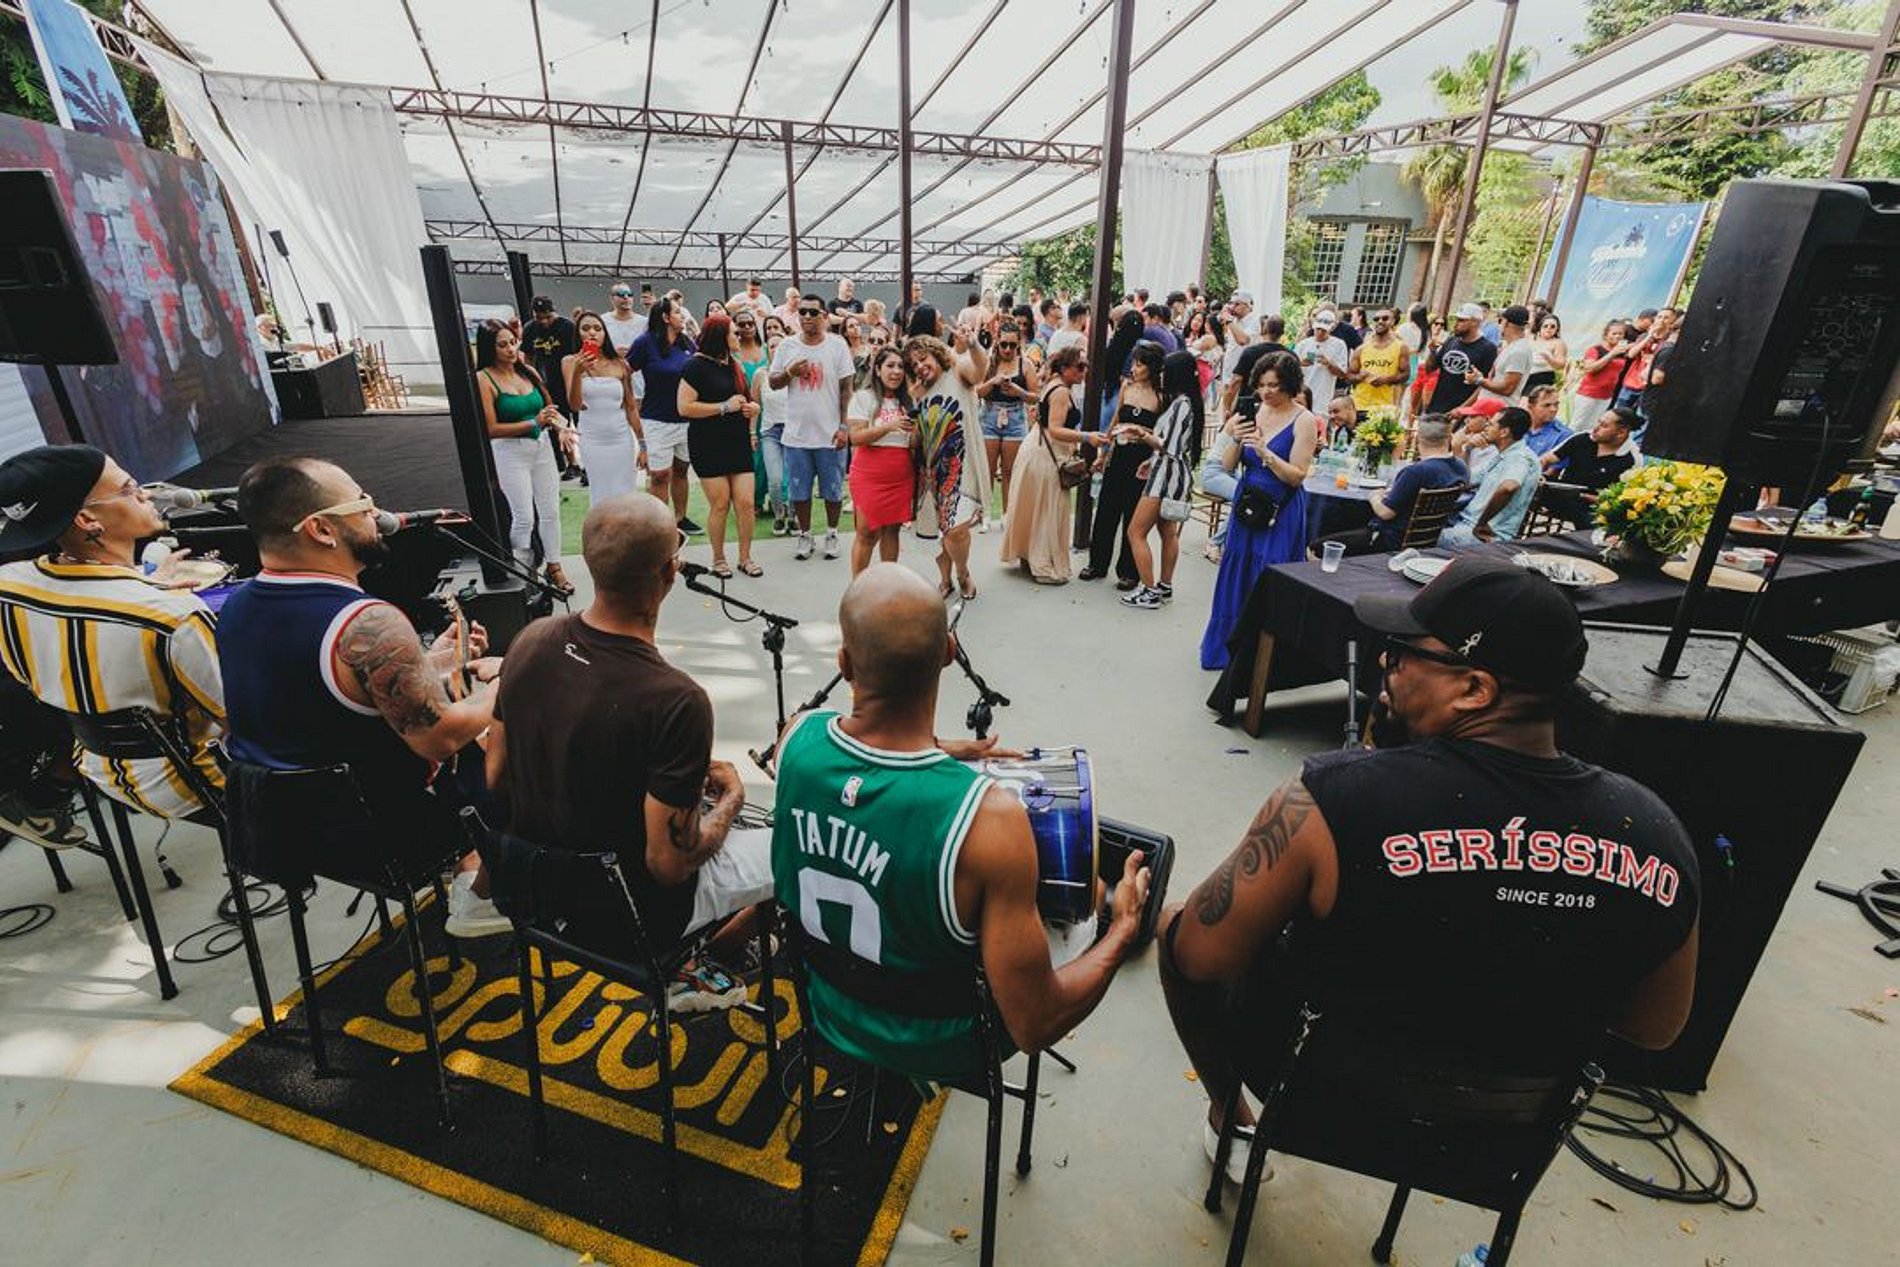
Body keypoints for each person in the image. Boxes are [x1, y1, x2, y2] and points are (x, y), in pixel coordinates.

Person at [1160, 556, 1699, 1180]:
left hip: (1322, 1097)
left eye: (1403, 654)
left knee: (1176, 926)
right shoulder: (1656, 831)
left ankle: (1233, 1121)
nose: (1386, 666)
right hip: (1495, 1133)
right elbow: (1656, 1028)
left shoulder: (1329, 800)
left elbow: (1200, 955)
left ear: (1474, 690)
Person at [770, 564, 1150, 1084]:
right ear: (949, 653)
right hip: (950, 1046)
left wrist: (944, 751)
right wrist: (1123, 930)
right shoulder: (990, 820)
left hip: (830, 1010)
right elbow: (1034, 1024)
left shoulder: (796, 740)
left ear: (844, 662)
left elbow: (863, 749)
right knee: (1080, 905)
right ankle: (1110, 907)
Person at [486, 494, 772, 1008]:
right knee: (796, 843)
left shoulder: (530, 640)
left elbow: (496, 778)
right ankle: (701, 959)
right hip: (632, 919)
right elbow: (669, 866)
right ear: (670, 571)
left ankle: (700, 959)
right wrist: (730, 801)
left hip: (537, 890)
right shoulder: (676, 701)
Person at [218, 458, 506, 936]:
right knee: (517, 743)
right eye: (362, 503)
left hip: (278, 827)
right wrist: (512, 680)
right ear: (321, 529)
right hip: (379, 836)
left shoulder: (234, 605)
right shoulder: (368, 622)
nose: (377, 513)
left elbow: (313, 694)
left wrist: (426, 664)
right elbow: (440, 739)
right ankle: (481, 893)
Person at [0, 445, 222, 821]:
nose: (145, 494)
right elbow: (244, 723)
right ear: (87, 520)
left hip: (99, 769)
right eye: (128, 487)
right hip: (193, 784)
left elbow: (33, 680)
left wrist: (140, 584)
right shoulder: (174, 617)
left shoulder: (9, 587)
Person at [1200, 352, 1317, 671]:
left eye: (1274, 385)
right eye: (1262, 384)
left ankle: (1264, 659)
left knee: (1270, 574)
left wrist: (1265, 453)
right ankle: (1228, 647)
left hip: (1281, 510)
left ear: (1289, 384)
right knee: (1237, 571)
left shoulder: (1304, 420)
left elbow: (1297, 476)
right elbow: (1227, 466)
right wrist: (1236, 440)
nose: (1266, 392)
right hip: (1248, 503)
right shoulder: (1254, 410)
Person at [475, 320, 576, 595]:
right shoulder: (484, 378)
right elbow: (490, 428)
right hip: (509, 451)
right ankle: (524, 574)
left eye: (513, 342)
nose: (510, 349)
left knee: (550, 511)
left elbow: (550, 408)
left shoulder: (527, 371)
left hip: (541, 448)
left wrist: (562, 428)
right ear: (490, 348)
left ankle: (554, 566)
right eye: (502, 345)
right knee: (523, 517)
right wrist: (534, 423)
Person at [906, 311, 991, 600]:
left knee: (956, 530)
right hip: (930, 472)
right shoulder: (918, 391)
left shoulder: (957, 369)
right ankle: (945, 579)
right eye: (914, 364)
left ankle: (963, 573)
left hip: (962, 466)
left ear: (936, 354)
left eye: (923, 359)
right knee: (937, 531)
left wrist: (974, 344)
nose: (920, 366)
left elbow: (980, 370)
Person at [1001, 346, 1101, 585]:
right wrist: (1087, 437)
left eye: (1085, 366)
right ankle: (1043, 566)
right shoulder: (1061, 392)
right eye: (1080, 367)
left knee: (1035, 505)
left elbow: (1041, 407)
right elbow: (1055, 429)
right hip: (1046, 455)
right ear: (1065, 369)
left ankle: (1029, 557)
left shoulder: (1053, 383)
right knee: (1047, 508)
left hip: (1037, 449)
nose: (1084, 371)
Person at [769, 295, 857, 562]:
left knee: (833, 490)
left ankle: (832, 534)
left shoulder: (837, 345)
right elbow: (773, 382)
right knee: (799, 491)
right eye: (803, 312)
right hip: (797, 435)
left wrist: (844, 426)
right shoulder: (787, 346)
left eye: (813, 312)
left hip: (830, 434)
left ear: (825, 317)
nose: (807, 316)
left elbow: (847, 389)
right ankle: (805, 535)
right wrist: (790, 373)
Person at [1311, 414, 1468, 558]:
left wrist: (1374, 496)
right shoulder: (1461, 467)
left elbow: (1385, 513)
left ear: (1418, 438)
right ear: (1449, 437)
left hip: (1388, 540)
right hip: (1426, 539)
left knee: (1313, 548)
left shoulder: (1416, 472)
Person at [677, 314, 762, 578]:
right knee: (721, 504)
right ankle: (719, 558)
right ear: (719, 337)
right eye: (734, 332)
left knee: (746, 503)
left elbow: (746, 400)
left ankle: (745, 558)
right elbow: (684, 407)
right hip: (707, 443)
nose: (739, 336)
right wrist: (724, 407)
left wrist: (753, 409)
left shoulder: (734, 365)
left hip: (737, 441)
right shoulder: (695, 366)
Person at [1121, 350, 1204, 610]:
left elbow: (1170, 446)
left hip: (1165, 476)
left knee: (1135, 532)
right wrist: (1151, 459)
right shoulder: (1187, 402)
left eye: (1166, 371)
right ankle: (1164, 585)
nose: (1162, 376)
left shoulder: (1181, 404)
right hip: (1171, 472)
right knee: (1168, 532)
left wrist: (1140, 433)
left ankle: (1149, 590)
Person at [1081, 339, 1164, 590]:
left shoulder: (1160, 396)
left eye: (1140, 365)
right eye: (1134, 364)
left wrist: (1140, 431)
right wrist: (1103, 452)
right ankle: (1097, 563)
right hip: (1119, 453)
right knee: (1106, 510)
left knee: (1132, 514)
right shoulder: (1126, 387)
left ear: (1151, 367)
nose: (1134, 369)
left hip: (1142, 459)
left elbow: (1162, 433)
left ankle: (1128, 571)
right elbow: (1116, 420)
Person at [627, 295, 702, 536]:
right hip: (656, 420)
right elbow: (625, 370)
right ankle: (659, 526)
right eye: (678, 312)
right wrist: (629, 400)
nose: (683, 315)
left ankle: (680, 519)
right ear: (665, 317)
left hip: (686, 420)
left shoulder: (687, 343)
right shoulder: (645, 342)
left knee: (681, 470)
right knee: (659, 475)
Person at [845, 347, 917, 574]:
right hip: (869, 475)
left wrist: (917, 432)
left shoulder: (909, 401)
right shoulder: (863, 397)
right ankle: (859, 588)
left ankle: (888, 585)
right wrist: (889, 426)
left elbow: (913, 444)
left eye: (901, 367)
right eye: (890, 366)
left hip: (901, 476)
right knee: (866, 533)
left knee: (892, 531)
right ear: (877, 370)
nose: (896, 371)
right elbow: (856, 437)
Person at [564, 311, 644, 506]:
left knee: (626, 492)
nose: (592, 333)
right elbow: (575, 405)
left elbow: (630, 407)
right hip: (592, 438)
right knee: (600, 493)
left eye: (597, 328)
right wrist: (578, 373)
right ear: (578, 333)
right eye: (586, 328)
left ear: (604, 333)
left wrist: (643, 445)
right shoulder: (570, 362)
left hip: (621, 437)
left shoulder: (620, 364)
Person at [1438, 406, 1542, 549]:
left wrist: (1482, 523)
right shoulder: (1502, 455)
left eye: (1491, 424)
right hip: (1463, 523)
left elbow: (1509, 487)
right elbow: (1465, 480)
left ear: (1504, 432)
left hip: (1481, 536)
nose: (1486, 428)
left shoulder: (1520, 457)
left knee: (1415, 536)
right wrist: (1466, 449)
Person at [977, 319, 1039, 524]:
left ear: (1018, 344)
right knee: (987, 468)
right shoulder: (988, 362)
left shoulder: (1025, 364)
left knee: (1009, 471)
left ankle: (1006, 515)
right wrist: (992, 382)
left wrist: (1019, 391)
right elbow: (976, 392)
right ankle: (985, 513)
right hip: (990, 415)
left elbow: (1035, 397)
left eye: (1012, 345)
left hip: (1015, 417)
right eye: (1004, 344)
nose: (1007, 349)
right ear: (997, 341)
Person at [1541, 407, 1640, 528]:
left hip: (1593, 507)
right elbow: (1547, 459)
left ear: (1621, 433)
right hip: (1560, 493)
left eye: (1604, 426)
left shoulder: (1631, 459)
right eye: (1598, 422)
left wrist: (1583, 496)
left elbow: (1622, 499)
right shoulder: (1583, 438)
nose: (1596, 428)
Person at [751, 314, 792, 536]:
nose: (777, 349)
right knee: (775, 480)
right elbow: (754, 405)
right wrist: (752, 433)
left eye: (781, 345)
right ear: (767, 350)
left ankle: (793, 516)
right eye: (773, 346)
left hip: (794, 432)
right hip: (770, 433)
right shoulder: (761, 374)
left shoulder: (795, 373)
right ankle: (779, 515)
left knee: (794, 478)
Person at [1422, 303, 1497, 416]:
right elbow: (1429, 369)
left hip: (1462, 414)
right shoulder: (1451, 341)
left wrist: (1461, 410)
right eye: (1456, 319)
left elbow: (1483, 386)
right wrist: (1432, 350)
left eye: (1461, 320)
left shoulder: (1488, 349)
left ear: (1475, 322)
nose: (1456, 324)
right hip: (1436, 408)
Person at [523, 296, 580, 422]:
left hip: (568, 380)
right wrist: (532, 379)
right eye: (539, 318)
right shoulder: (530, 329)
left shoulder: (567, 327)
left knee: (578, 419)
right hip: (546, 382)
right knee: (556, 421)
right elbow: (528, 357)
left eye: (548, 317)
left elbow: (577, 355)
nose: (544, 321)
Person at [1223, 315, 1292, 417]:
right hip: (1280, 407)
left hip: (1250, 406)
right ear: (1282, 333)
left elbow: (1236, 381)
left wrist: (1227, 408)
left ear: (1264, 330)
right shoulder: (1290, 356)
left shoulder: (1250, 353)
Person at [1348, 308, 1411, 414]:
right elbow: (1349, 375)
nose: (1380, 321)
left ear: (1393, 321)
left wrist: (1385, 380)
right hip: (1360, 405)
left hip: (1384, 407)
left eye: (1385, 318)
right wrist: (1360, 377)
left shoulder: (1401, 347)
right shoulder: (1362, 349)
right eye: (1376, 319)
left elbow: (1405, 374)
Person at [1571, 319, 1629, 433]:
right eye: (1614, 333)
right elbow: (1589, 369)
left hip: (1606, 396)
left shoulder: (1621, 352)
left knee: (1593, 426)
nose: (1617, 336)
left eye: (1620, 334)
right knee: (1577, 424)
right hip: (1588, 394)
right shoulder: (1596, 350)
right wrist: (1611, 354)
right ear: (1606, 335)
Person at [1471, 304, 1532, 404]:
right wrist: (1481, 378)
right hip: (1487, 405)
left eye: (1500, 321)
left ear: (1506, 322)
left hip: (1499, 409)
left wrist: (1479, 380)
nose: (1498, 325)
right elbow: (1496, 379)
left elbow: (1507, 389)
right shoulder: (1511, 346)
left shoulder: (1519, 351)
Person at [1295, 310, 1350, 404]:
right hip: (1303, 398)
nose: (1320, 332)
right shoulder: (1303, 344)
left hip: (1324, 399)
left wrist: (1329, 364)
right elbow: (1291, 370)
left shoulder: (1339, 345)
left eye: (1324, 330)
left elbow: (1342, 374)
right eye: (1318, 329)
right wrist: (1300, 363)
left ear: (1331, 329)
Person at [1520, 384, 1570, 457]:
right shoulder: (1517, 426)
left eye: (1556, 404)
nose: (1553, 409)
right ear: (1530, 406)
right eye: (1547, 405)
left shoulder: (1564, 436)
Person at [1526, 313, 1568, 394]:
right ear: (1540, 327)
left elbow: (1561, 365)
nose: (1549, 328)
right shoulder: (1530, 338)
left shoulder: (1558, 343)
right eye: (1546, 326)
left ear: (1557, 329)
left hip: (1542, 378)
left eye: (1552, 326)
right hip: (1524, 376)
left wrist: (1549, 359)